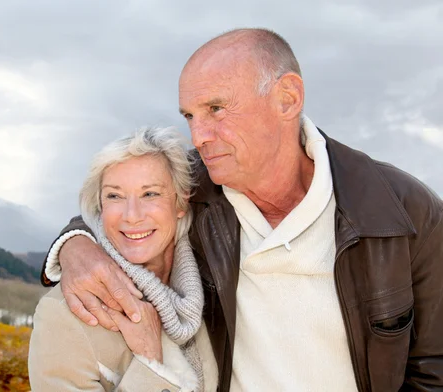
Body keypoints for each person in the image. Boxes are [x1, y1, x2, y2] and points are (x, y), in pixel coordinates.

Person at [41, 29, 443, 391]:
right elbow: (125, 209)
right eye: (190, 116)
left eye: (216, 109)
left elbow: (434, 368)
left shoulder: (403, 209)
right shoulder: (196, 187)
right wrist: (77, 245)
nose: (199, 135)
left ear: (287, 99)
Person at [29, 127, 219, 392]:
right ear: (100, 206)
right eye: (115, 196)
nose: (131, 215)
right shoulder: (64, 315)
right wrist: (150, 360)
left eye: (150, 193)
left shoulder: (213, 283)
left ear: (181, 202)